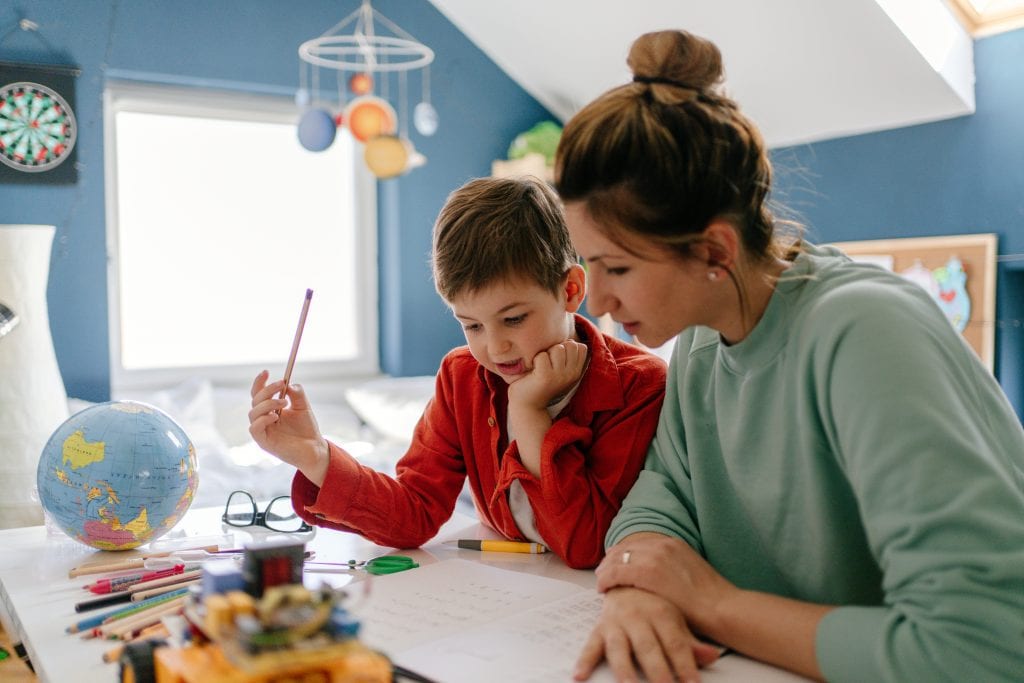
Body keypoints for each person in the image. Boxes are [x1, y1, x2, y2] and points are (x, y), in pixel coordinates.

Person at [555, 29, 1024, 683]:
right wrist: (639, 585)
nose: (597, 299)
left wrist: (711, 601)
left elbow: (981, 649)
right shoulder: (699, 341)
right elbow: (660, 494)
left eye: (618, 267)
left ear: (714, 252)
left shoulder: (864, 332)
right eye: (588, 264)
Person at [248, 176, 667, 570]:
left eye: (515, 319)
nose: (495, 347)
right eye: (472, 325)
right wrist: (315, 456)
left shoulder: (639, 385)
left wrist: (528, 413)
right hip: (502, 594)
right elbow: (415, 513)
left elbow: (586, 545)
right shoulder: (462, 376)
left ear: (571, 290)